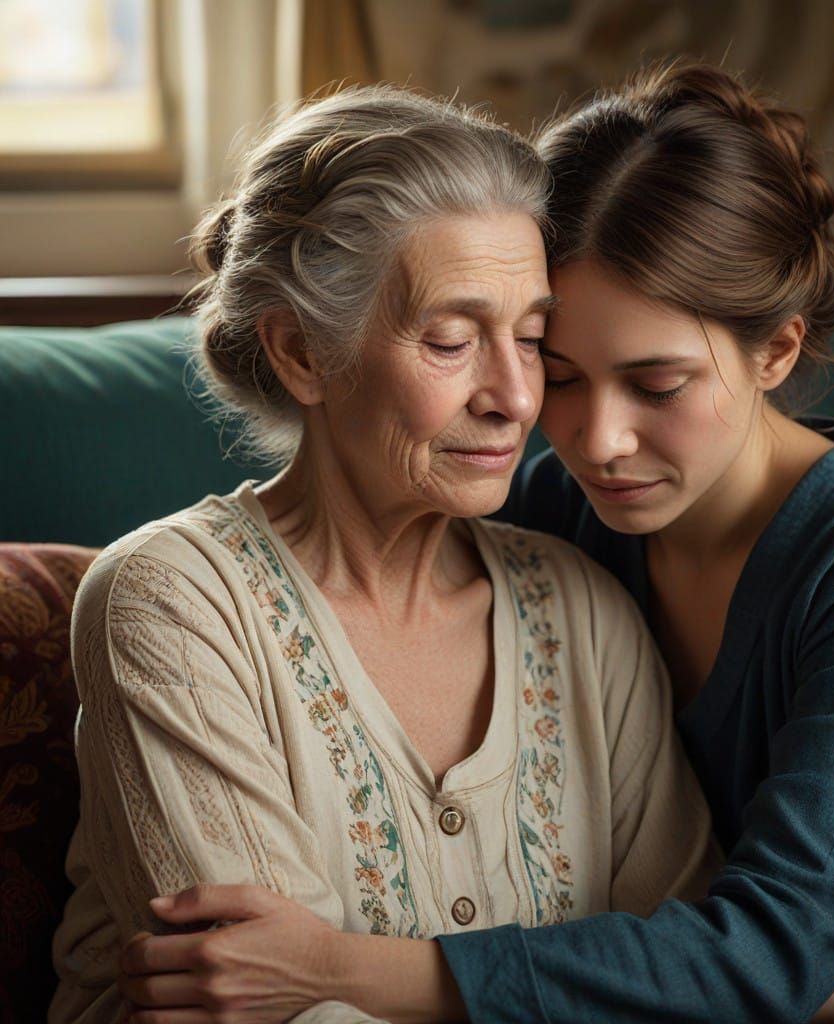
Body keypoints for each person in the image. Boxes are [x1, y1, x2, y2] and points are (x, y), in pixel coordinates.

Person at [101, 69, 834, 1023]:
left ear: (779, 352)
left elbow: (770, 944)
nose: (589, 439)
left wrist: (339, 967)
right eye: (564, 369)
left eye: (656, 386)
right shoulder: (561, 518)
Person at [49, 83, 722, 1023]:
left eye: (532, 340)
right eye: (451, 339)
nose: (516, 397)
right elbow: (266, 1007)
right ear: (300, 354)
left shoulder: (580, 604)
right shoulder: (171, 601)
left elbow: (686, 969)